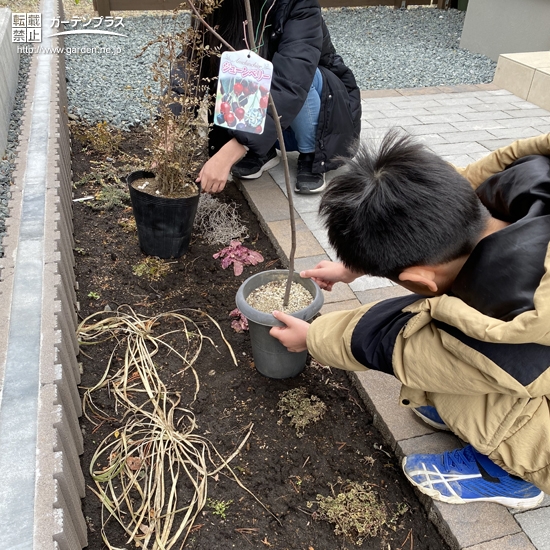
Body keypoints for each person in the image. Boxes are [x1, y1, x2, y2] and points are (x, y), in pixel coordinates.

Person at [270, 129, 550, 509]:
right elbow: (448, 200)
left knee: (437, 369)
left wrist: (313, 336)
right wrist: (358, 266)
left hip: (530, 389)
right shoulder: (525, 181)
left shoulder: (499, 325)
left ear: (418, 279)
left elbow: (399, 343)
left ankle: (507, 474)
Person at [178, 0, 361, 195]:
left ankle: (311, 154)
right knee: (241, 63)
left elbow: (290, 84)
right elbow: (192, 65)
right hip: (274, 125)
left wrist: (232, 150)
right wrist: (172, 124)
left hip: (323, 110)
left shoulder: (301, 5)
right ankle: (263, 151)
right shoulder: (224, 4)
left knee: (294, 74)